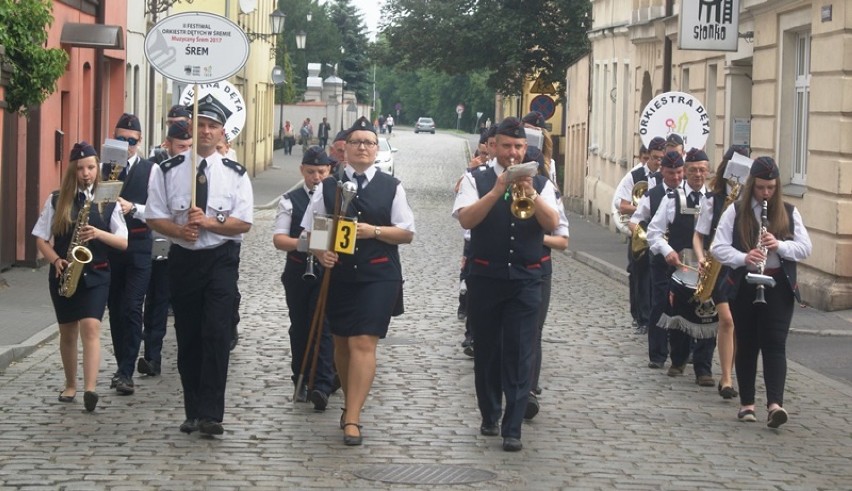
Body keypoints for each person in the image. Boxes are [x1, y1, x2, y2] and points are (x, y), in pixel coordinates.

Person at [302, 117, 415, 446]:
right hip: (339, 275)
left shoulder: (391, 187)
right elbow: (313, 230)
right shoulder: (328, 186)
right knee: (342, 343)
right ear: (344, 150)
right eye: (356, 142)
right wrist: (321, 254)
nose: (362, 147)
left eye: (368, 143)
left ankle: (353, 417)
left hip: (378, 274)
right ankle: (351, 401)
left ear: (376, 150)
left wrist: (374, 232)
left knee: (363, 342)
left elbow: (406, 232)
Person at [145, 94, 253, 436]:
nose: (206, 131)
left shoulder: (236, 174)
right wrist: (179, 229)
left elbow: (243, 223)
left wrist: (208, 223)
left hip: (221, 258)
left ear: (223, 132)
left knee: (217, 333)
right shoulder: (168, 171)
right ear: (191, 127)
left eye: (213, 126)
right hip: (184, 259)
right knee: (189, 334)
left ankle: (211, 414)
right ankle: (192, 410)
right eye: (201, 125)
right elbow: (154, 216)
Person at [453, 117, 560, 452]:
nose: (512, 153)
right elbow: (466, 219)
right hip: (485, 277)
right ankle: (490, 412)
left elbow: (553, 223)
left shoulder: (540, 182)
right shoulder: (475, 179)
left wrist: (531, 192)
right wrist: (498, 189)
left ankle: (513, 427)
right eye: (506, 146)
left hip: (526, 280)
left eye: (518, 147)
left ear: (524, 148)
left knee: (519, 351)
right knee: (488, 350)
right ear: (493, 146)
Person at [711, 157, 811, 428]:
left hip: (777, 287)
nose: (766, 193)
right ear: (751, 184)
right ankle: (747, 404)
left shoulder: (789, 212)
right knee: (747, 343)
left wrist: (778, 246)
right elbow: (717, 248)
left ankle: (775, 405)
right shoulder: (736, 211)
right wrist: (744, 258)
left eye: (771, 188)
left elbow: (805, 248)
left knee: (775, 344)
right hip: (745, 284)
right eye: (760, 188)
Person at [32, 142, 128, 412]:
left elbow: (122, 242)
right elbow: (40, 238)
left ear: (97, 168)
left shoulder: (107, 200)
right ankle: (70, 384)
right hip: (64, 273)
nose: (86, 173)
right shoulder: (56, 199)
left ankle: (90, 388)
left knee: (91, 326)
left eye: (90, 168)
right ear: (72, 171)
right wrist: (56, 260)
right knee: (67, 331)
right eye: (81, 169)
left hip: (96, 273)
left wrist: (98, 234)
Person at [273, 146, 336, 410]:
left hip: (327, 271)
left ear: (329, 171)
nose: (317, 177)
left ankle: (322, 384)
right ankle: (300, 376)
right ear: (302, 171)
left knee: (324, 328)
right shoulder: (290, 199)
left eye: (321, 171)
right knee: (300, 326)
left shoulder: (335, 197)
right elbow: (279, 239)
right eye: (311, 172)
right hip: (299, 271)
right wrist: (307, 245)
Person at [647, 148, 715, 385]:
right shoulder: (672, 199)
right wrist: (667, 251)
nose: (698, 174)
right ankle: (678, 359)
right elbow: (653, 233)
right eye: (694, 170)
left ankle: (704, 368)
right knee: (679, 317)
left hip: (708, 268)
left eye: (703, 170)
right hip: (681, 267)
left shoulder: (715, 201)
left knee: (708, 316)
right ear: (685, 172)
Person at [102, 113, 156, 396]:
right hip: (110, 249)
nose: (125, 145)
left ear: (140, 141)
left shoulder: (151, 170)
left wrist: (133, 207)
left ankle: (126, 372)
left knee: (133, 306)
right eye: (120, 139)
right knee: (116, 309)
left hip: (138, 246)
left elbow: (159, 212)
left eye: (131, 141)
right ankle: (121, 364)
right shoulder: (103, 167)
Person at [692, 145, 750, 399]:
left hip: (742, 266)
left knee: (735, 323)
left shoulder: (751, 200)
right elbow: (699, 235)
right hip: (718, 266)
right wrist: (701, 258)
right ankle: (726, 378)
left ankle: (728, 375)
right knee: (726, 319)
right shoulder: (713, 199)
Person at [138, 121, 194, 378]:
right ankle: (152, 355)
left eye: (189, 146)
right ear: (168, 144)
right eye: (181, 146)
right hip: (163, 244)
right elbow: (153, 211)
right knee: (157, 301)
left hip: (190, 250)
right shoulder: (161, 171)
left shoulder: (198, 171)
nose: (185, 151)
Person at [522, 146, 570, 421]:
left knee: (533, 331)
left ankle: (528, 389)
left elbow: (562, 240)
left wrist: (536, 239)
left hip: (539, 269)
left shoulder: (546, 189)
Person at [630, 149, 684, 368]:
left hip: (682, 257)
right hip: (659, 257)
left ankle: (681, 352)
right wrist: (644, 237)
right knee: (660, 303)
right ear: (662, 172)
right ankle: (658, 354)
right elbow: (635, 221)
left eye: (680, 173)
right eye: (671, 173)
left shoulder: (688, 194)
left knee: (682, 305)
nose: (676, 177)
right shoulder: (652, 196)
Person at [622, 137, 666, 335]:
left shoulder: (668, 176)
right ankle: (642, 318)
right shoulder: (636, 175)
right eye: (655, 158)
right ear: (648, 156)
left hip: (661, 232)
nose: (658, 162)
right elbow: (622, 205)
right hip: (640, 229)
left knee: (655, 276)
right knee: (640, 276)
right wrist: (644, 207)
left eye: (661, 158)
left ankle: (654, 318)